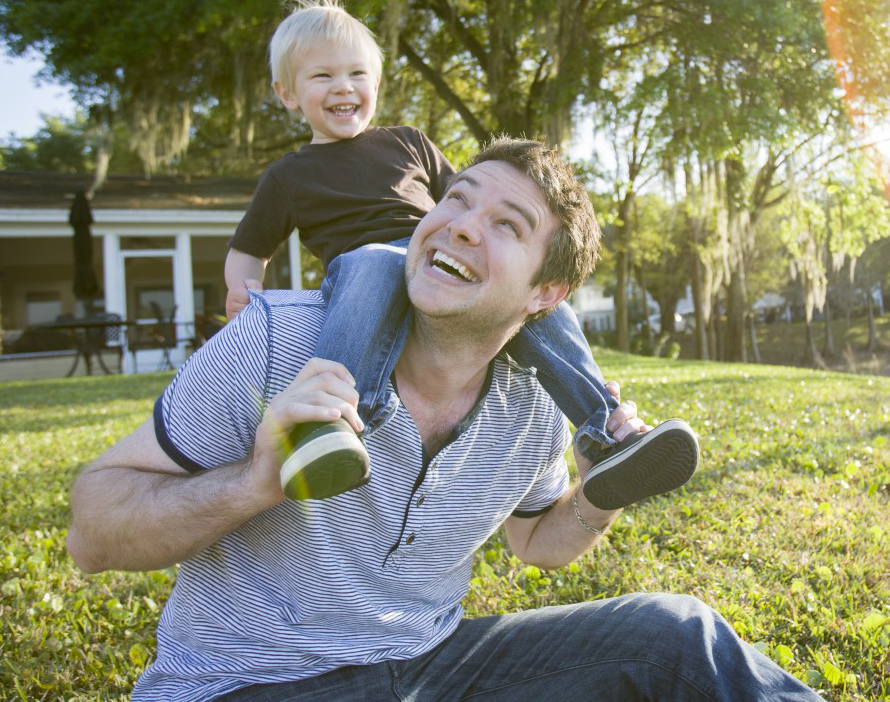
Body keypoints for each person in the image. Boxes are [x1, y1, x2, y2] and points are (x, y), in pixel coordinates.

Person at [66, 139, 820, 701]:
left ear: (545, 294)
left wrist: (597, 495)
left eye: (505, 223)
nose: (459, 224)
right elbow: (92, 532)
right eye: (455, 198)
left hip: (432, 671)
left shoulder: (536, 401)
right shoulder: (282, 342)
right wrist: (256, 481)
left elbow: (536, 541)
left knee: (677, 636)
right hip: (248, 683)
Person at [224, 0, 695, 508]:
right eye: (322, 77)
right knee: (377, 263)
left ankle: (608, 432)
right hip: (363, 264)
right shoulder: (288, 176)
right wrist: (241, 288)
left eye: (357, 74)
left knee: (538, 304)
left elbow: (469, 201)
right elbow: (250, 246)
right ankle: (327, 426)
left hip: (438, 253)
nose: (344, 87)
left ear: (375, 86)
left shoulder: (407, 142)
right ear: (287, 94)